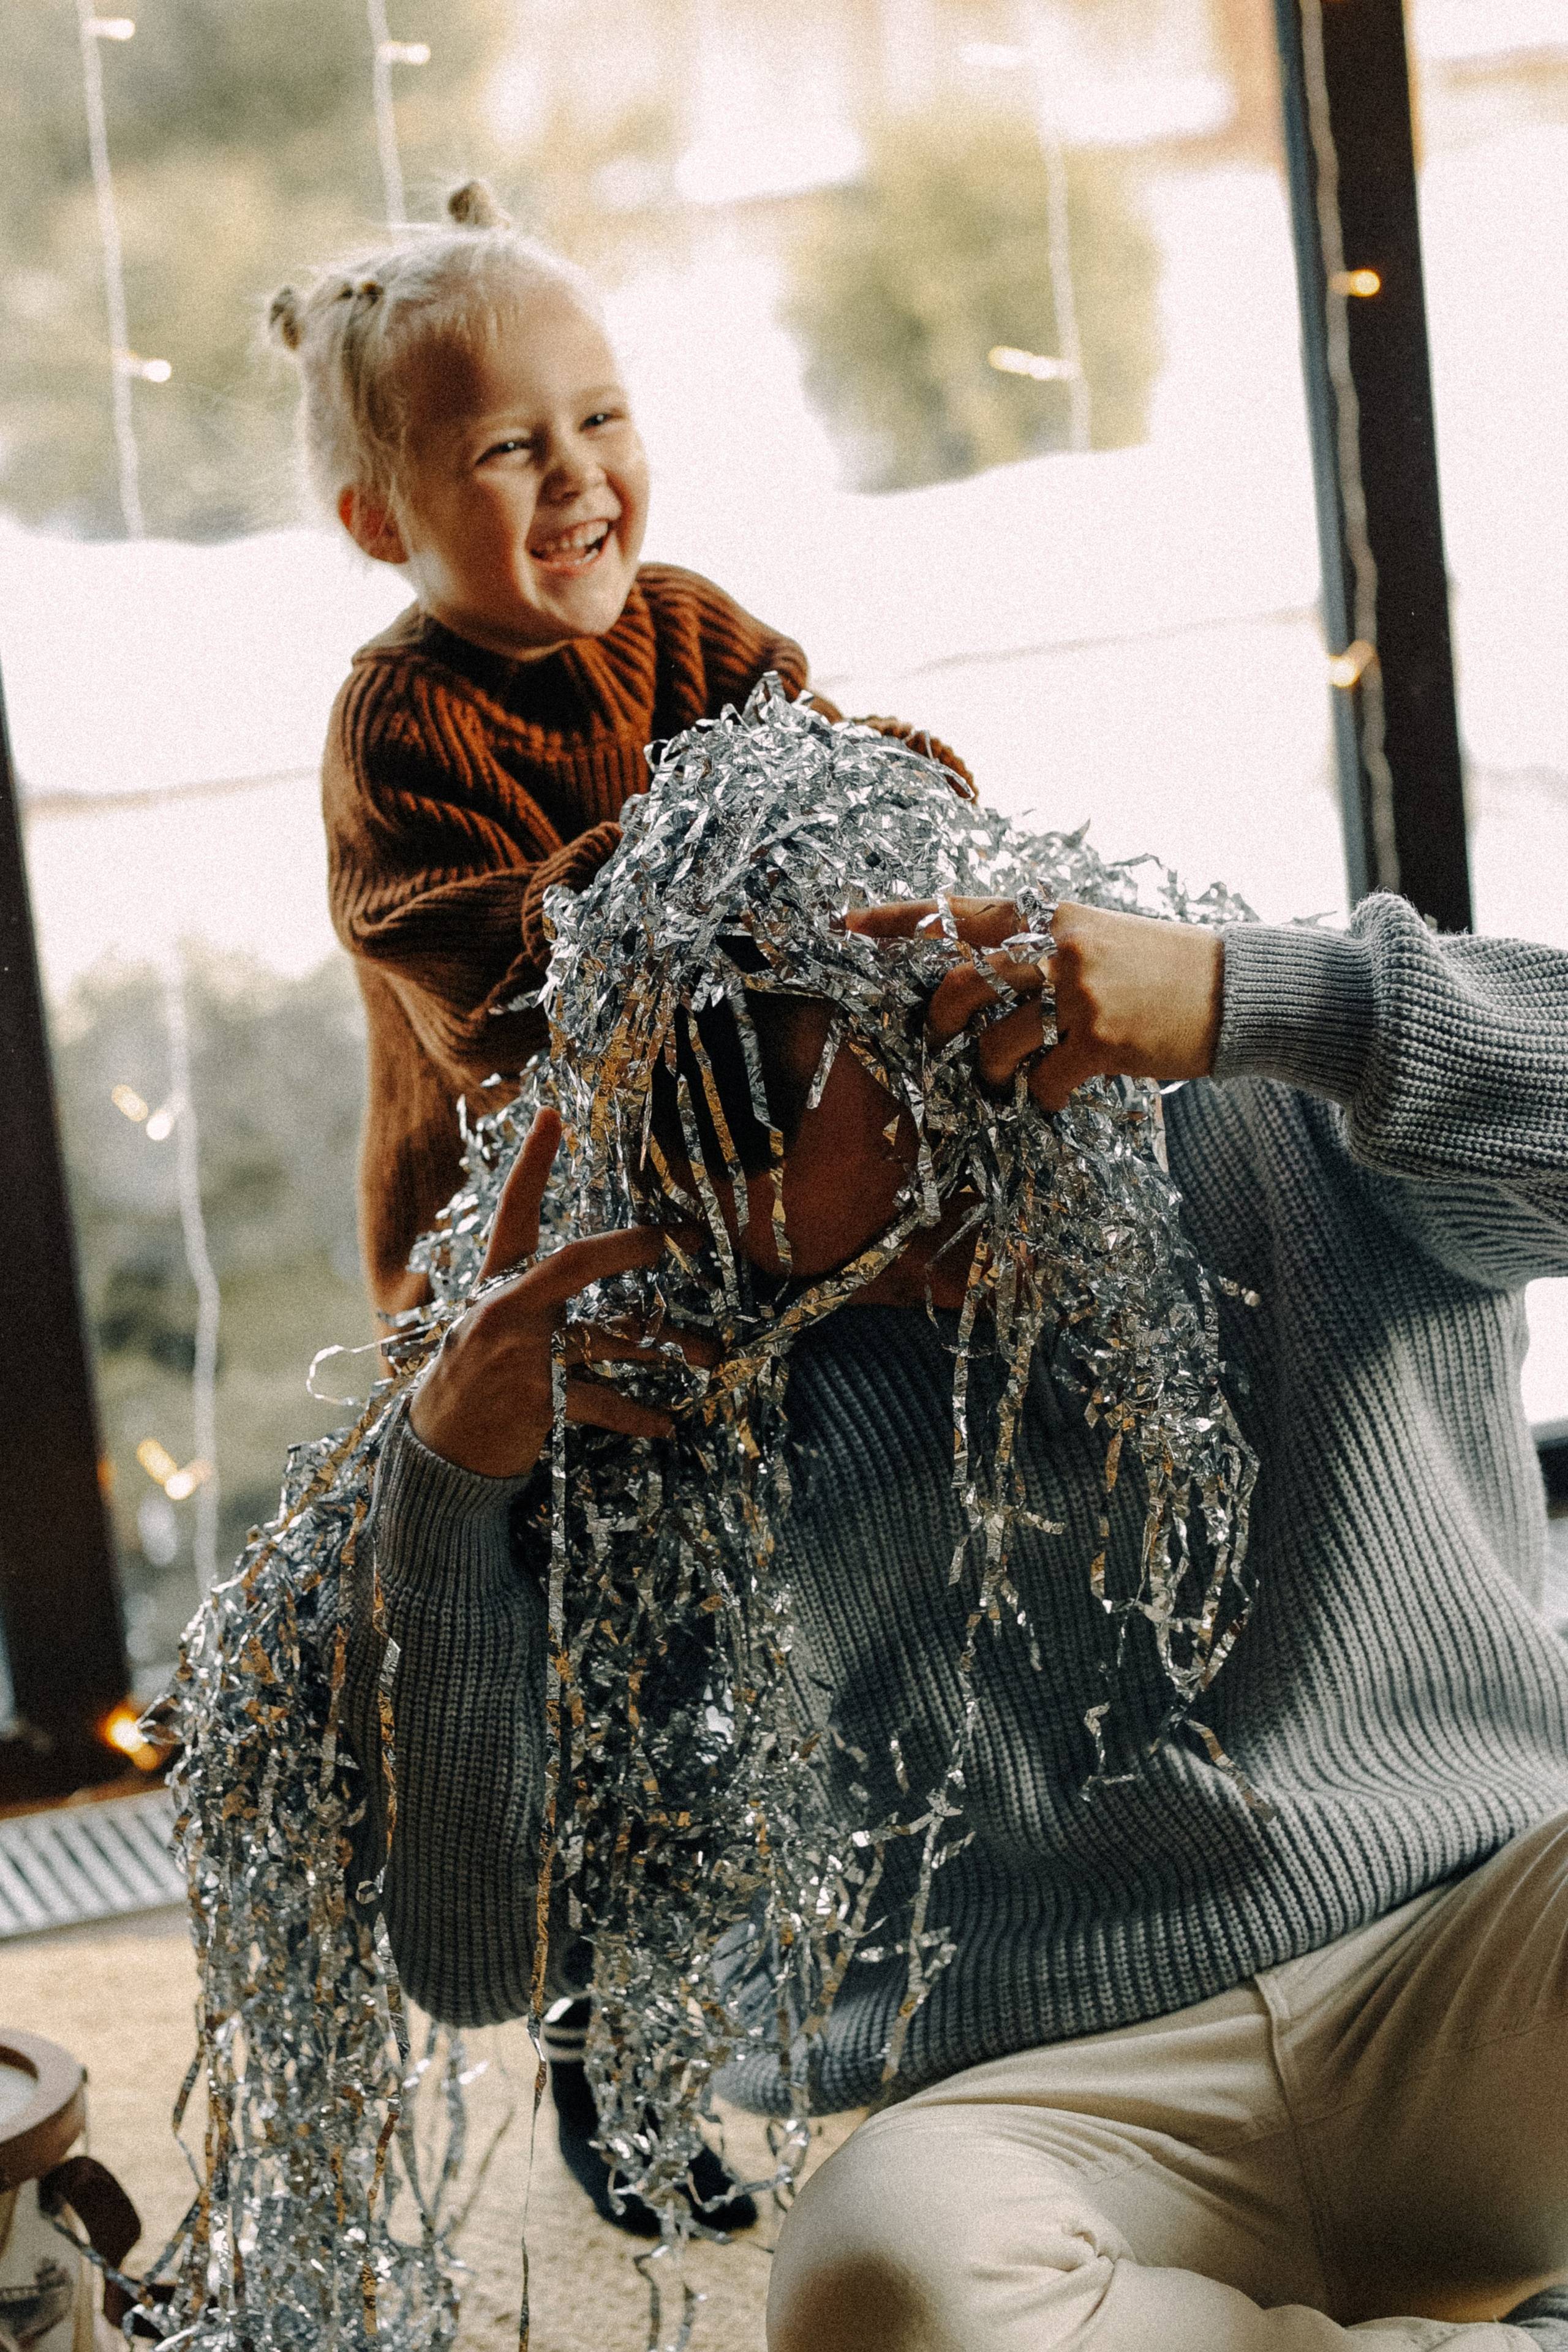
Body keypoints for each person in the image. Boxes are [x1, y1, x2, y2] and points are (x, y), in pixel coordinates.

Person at [346, 774, 1568, 2346]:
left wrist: (1268, 999)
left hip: (1475, 1958)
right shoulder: (663, 1395)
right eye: (850, 1271)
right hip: (1056, 2106)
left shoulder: (1277, 1117)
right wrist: (452, 1486)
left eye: (953, 1173)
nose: (941, 1280)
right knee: (878, 2281)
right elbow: (472, 1960)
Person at [268, 179, 970, 1325]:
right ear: (382, 520)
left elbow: (818, 773)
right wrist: (690, 854)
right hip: (524, 1237)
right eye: (509, 447)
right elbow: (499, 1015)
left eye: (600, 420)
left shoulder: (686, 626)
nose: (576, 473)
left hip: (738, 1146)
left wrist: (887, 781)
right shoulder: (397, 726)